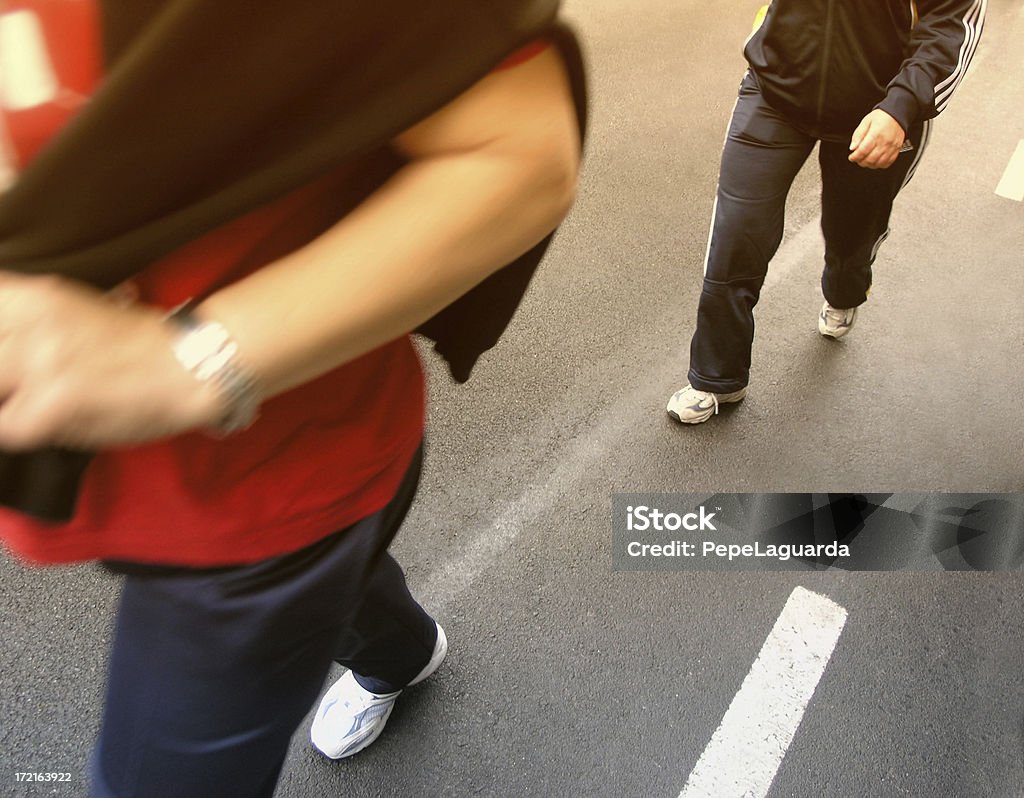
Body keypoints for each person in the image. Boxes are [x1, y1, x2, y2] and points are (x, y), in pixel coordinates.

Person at [0, 2, 584, 795]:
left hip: (264, 477)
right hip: (95, 461)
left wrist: (186, 363)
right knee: (349, 583)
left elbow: (520, 153)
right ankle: (403, 657)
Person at [667, 0, 986, 425]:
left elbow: (952, 27)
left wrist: (901, 105)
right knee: (737, 232)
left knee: (850, 233)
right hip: (775, 90)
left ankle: (846, 287)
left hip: (880, 114)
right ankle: (717, 375)